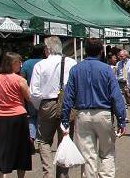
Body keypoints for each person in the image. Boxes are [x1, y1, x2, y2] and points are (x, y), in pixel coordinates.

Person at [61, 38, 127, 178]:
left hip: (82, 114)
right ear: (100, 52)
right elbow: (116, 96)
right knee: (107, 153)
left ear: (85, 51)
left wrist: (65, 119)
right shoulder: (106, 70)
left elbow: (68, 96)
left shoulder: (76, 70)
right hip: (103, 113)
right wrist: (121, 119)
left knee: (87, 156)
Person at [29, 36, 76, 178]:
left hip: (47, 103)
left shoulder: (40, 65)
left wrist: (40, 107)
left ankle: (48, 173)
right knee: (64, 140)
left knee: (44, 140)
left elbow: (34, 92)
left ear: (47, 49)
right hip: (67, 104)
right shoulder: (72, 63)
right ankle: (62, 174)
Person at [0, 52, 34, 178]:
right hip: (18, 116)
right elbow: (29, 97)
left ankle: (3, 175)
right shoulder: (20, 80)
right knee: (20, 148)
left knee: (2, 148)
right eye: (19, 62)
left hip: (0, 117)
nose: (20, 65)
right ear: (13, 63)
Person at [21, 44, 47, 143]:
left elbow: (22, 79)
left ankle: (31, 136)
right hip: (45, 95)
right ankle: (42, 138)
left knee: (32, 117)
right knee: (44, 118)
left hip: (30, 94)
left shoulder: (26, 63)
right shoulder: (46, 63)